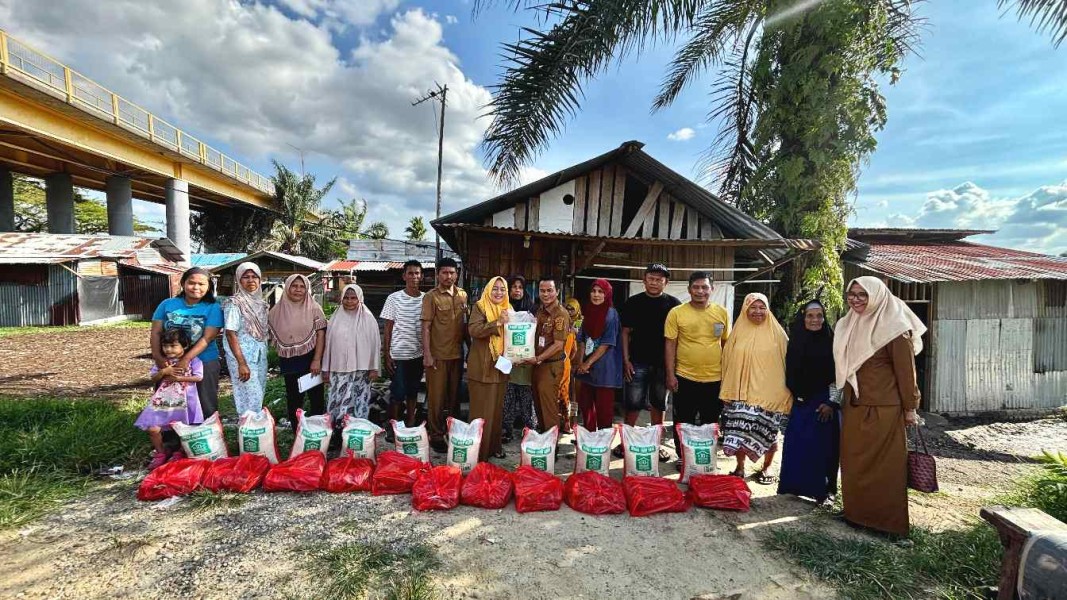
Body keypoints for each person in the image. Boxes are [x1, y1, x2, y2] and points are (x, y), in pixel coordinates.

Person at [835, 276, 925, 537]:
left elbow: (907, 373)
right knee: (854, 462)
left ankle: (887, 524)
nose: (856, 299)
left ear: (877, 296)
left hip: (883, 409)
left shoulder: (895, 328)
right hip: (854, 405)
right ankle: (856, 513)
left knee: (885, 468)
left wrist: (911, 408)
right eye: (852, 294)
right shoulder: (849, 324)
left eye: (863, 294)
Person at [720, 293, 792, 484]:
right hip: (741, 392)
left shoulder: (778, 334)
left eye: (762, 307)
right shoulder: (737, 332)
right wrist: (727, 390)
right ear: (745, 308)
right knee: (739, 432)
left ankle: (766, 468)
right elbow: (727, 361)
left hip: (770, 394)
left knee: (768, 434)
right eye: (753, 307)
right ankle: (740, 467)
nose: (758, 311)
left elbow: (789, 363)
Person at [778, 298, 840, 505]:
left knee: (823, 449)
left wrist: (832, 403)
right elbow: (790, 372)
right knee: (797, 444)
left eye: (819, 315)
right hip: (800, 402)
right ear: (803, 318)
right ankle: (794, 487)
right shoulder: (795, 340)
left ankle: (823, 491)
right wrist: (798, 395)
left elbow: (840, 374)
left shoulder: (833, 341)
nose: (815, 320)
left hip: (824, 403)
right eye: (810, 316)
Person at [620, 263, 680, 460]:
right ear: (644, 280)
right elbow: (625, 332)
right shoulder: (633, 302)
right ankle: (625, 442)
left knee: (659, 404)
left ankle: (656, 444)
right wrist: (626, 359)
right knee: (633, 403)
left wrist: (673, 366)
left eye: (659, 279)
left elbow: (678, 337)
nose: (654, 283)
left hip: (663, 364)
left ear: (666, 283)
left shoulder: (674, 305)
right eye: (651, 278)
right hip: (636, 361)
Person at [151, 267, 224, 417]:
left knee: (205, 402)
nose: (196, 287)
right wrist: (158, 358)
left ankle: (205, 436)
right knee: (169, 401)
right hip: (169, 362)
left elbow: (207, 338)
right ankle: (171, 437)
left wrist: (186, 359)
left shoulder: (213, 307)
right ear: (183, 283)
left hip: (204, 361)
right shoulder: (167, 304)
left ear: (209, 286)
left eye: (201, 284)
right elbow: (156, 332)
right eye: (191, 283)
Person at [664, 272, 731, 435]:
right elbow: (670, 344)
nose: (700, 291)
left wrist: (728, 377)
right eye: (696, 287)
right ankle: (683, 457)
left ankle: (706, 457)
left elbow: (726, 344)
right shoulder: (676, 312)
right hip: (685, 377)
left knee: (711, 421)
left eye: (704, 287)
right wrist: (670, 375)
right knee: (683, 421)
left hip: (715, 379)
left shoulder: (722, 313)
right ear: (689, 290)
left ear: (712, 289)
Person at [136, 329, 204, 469]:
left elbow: (199, 376)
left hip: (185, 400)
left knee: (183, 428)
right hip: (163, 400)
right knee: (153, 428)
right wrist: (163, 372)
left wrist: (179, 378)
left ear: (184, 346)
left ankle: (179, 453)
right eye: (165, 346)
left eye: (173, 346)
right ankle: (161, 453)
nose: (168, 350)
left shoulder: (193, 361)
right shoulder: (163, 363)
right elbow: (153, 377)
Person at [421, 257, 468, 453]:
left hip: (456, 355)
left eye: (452, 272)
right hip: (437, 356)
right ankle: (436, 435)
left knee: (454, 397)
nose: (448, 276)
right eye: (444, 273)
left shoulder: (463, 295)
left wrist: (470, 352)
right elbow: (425, 327)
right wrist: (427, 355)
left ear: (457, 274)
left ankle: (454, 432)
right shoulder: (431, 297)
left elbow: (465, 327)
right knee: (436, 399)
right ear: (438, 274)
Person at [268, 274, 327, 429]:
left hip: (310, 359)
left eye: (302, 287)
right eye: (294, 286)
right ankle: (297, 433)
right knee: (294, 398)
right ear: (287, 287)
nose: (298, 290)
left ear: (307, 289)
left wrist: (317, 360)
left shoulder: (314, 308)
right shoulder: (276, 311)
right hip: (289, 360)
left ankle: (318, 432)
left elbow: (321, 334)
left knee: (316, 398)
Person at [322, 284, 381, 431]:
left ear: (360, 298)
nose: (349, 301)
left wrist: (374, 367)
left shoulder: (368, 318)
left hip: (362, 369)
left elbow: (375, 343)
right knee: (338, 398)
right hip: (339, 367)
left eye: (353, 298)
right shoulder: (335, 318)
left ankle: (357, 431)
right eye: (346, 298)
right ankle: (336, 430)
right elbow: (328, 345)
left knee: (359, 399)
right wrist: (325, 368)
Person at [468, 276, 511, 460]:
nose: (499, 292)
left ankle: (493, 447)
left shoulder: (508, 309)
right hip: (482, 367)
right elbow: (473, 330)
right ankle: (479, 453)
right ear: (488, 290)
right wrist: (497, 323)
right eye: (495, 288)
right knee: (481, 412)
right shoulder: (480, 306)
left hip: (500, 368)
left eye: (502, 289)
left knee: (496, 411)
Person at [382, 260, 425, 435]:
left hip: (418, 354)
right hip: (398, 355)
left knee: (413, 392)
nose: (414, 277)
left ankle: (410, 424)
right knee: (397, 394)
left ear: (421, 276)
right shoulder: (394, 298)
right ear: (404, 276)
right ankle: (393, 427)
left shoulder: (426, 299)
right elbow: (387, 328)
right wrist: (386, 355)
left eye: (417, 273)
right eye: (410, 273)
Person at [575, 279, 622, 432]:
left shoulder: (611, 314)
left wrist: (586, 364)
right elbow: (582, 339)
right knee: (586, 407)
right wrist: (581, 362)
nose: (596, 295)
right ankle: (589, 441)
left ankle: (603, 445)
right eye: (593, 291)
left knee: (604, 412)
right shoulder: (588, 311)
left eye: (600, 292)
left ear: (607, 294)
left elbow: (606, 344)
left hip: (604, 371)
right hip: (586, 371)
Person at [222, 262, 269, 416]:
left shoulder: (261, 304)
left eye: (254, 276)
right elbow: (230, 333)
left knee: (258, 392)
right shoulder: (234, 303)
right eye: (246, 277)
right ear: (239, 281)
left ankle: (255, 429)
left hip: (259, 355)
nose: (251, 280)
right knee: (250, 393)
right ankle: (249, 426)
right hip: (241, 357)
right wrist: (241, 363)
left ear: (260, 279)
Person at [528, 277, 571, 433]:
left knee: (549, 407)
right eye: (542, 291)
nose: (546, 294)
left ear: (557, 292)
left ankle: (552, 445)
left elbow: (559, 344)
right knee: (539, 404)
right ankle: (544, 439)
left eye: (549, 290)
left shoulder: (560, 314)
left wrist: (538, 358)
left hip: (550, 365)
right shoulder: (540, 311)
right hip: (538, 365)